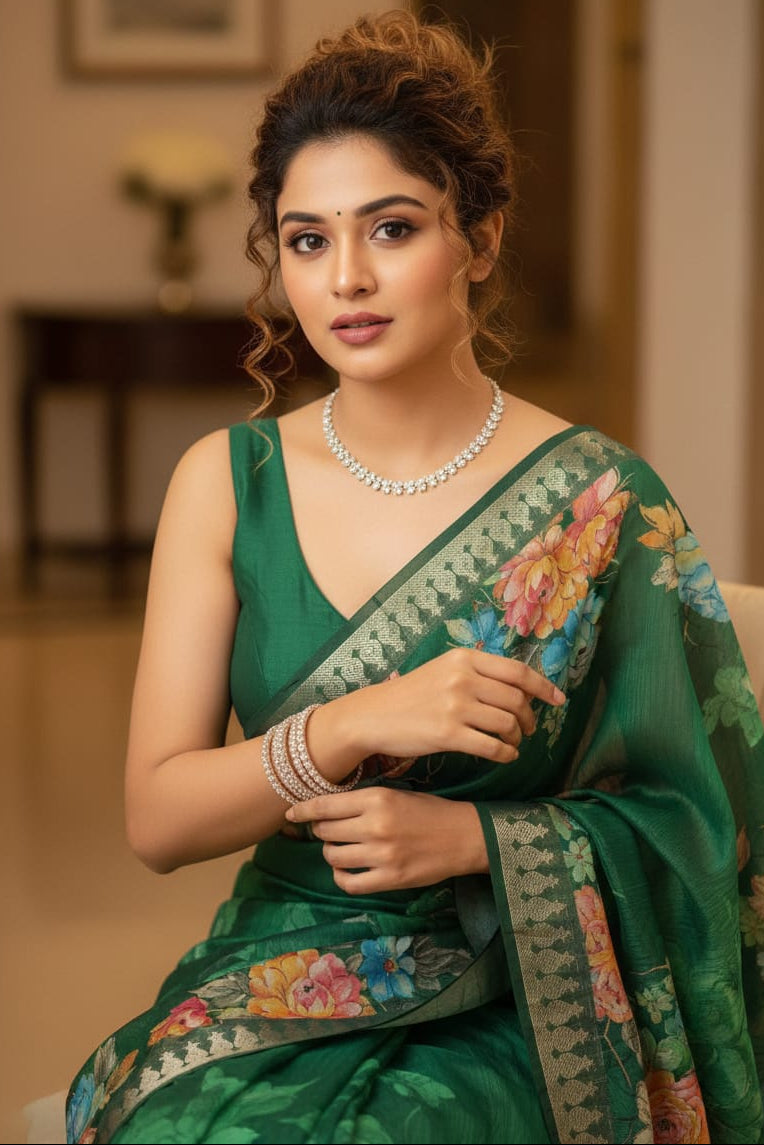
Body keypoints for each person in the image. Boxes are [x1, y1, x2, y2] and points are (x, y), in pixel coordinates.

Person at [66, 10, 764, 1144]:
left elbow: (698, 822)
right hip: (277, 971)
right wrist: (349, 724)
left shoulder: (600, 503)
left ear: (478, 238)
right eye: (305, 239)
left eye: (390, 227)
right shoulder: (227, 481)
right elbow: (158, 814)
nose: (344, 277)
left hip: (520, 990)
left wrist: (478, 843)